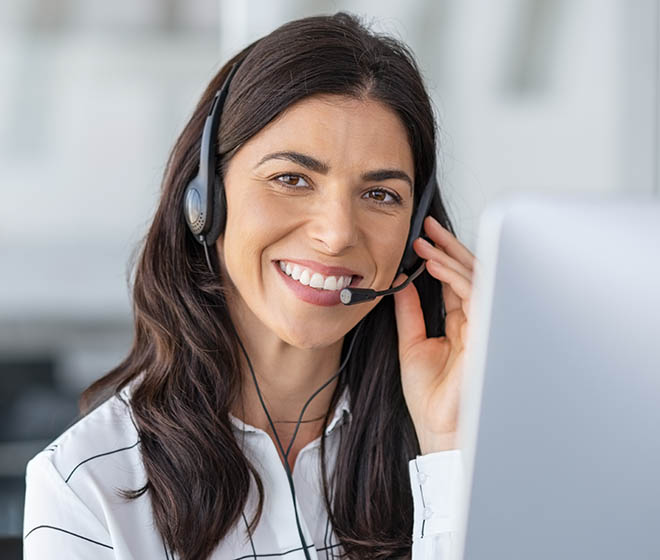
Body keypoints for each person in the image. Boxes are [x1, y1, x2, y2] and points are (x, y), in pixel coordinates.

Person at [24, 12, 476, 560]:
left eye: (380, 195)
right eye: (292, 179)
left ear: (412, 239)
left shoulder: (457, 452)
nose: (336, 235)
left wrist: (449, 447)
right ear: (206, 200)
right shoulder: (88, 485)